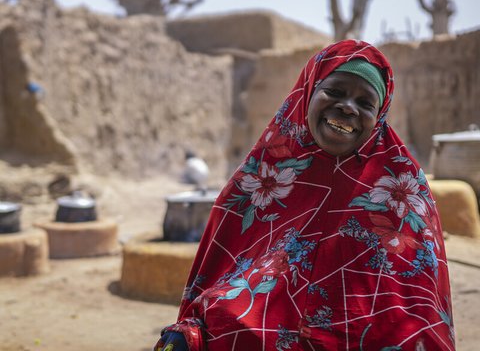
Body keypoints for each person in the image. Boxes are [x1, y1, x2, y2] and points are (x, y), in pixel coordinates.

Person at [154, 40, 454, 351]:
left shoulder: (403, 194)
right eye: (335, 92)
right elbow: (214, 287)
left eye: (365, 103)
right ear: (307, 93)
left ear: (379, 116)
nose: (348, 107)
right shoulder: (259, 182)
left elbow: (418, 319)